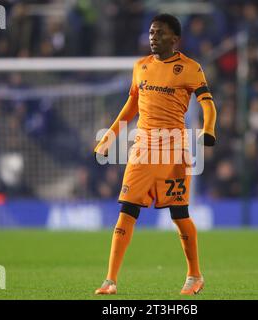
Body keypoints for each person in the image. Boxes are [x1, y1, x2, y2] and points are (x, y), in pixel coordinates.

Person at [93, 13, 217, 295]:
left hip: (173, 148)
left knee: (179, 213)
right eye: (151, 32)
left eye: (159, 33)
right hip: (142, 150)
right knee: (127, 209)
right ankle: (110, 280)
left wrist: (209, 129)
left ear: (175, 39)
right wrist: (109, 136)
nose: (153, 37)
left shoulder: (190, 68)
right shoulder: (141, 67)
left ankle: (194, 275)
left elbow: (208, 103)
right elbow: (131, 106)